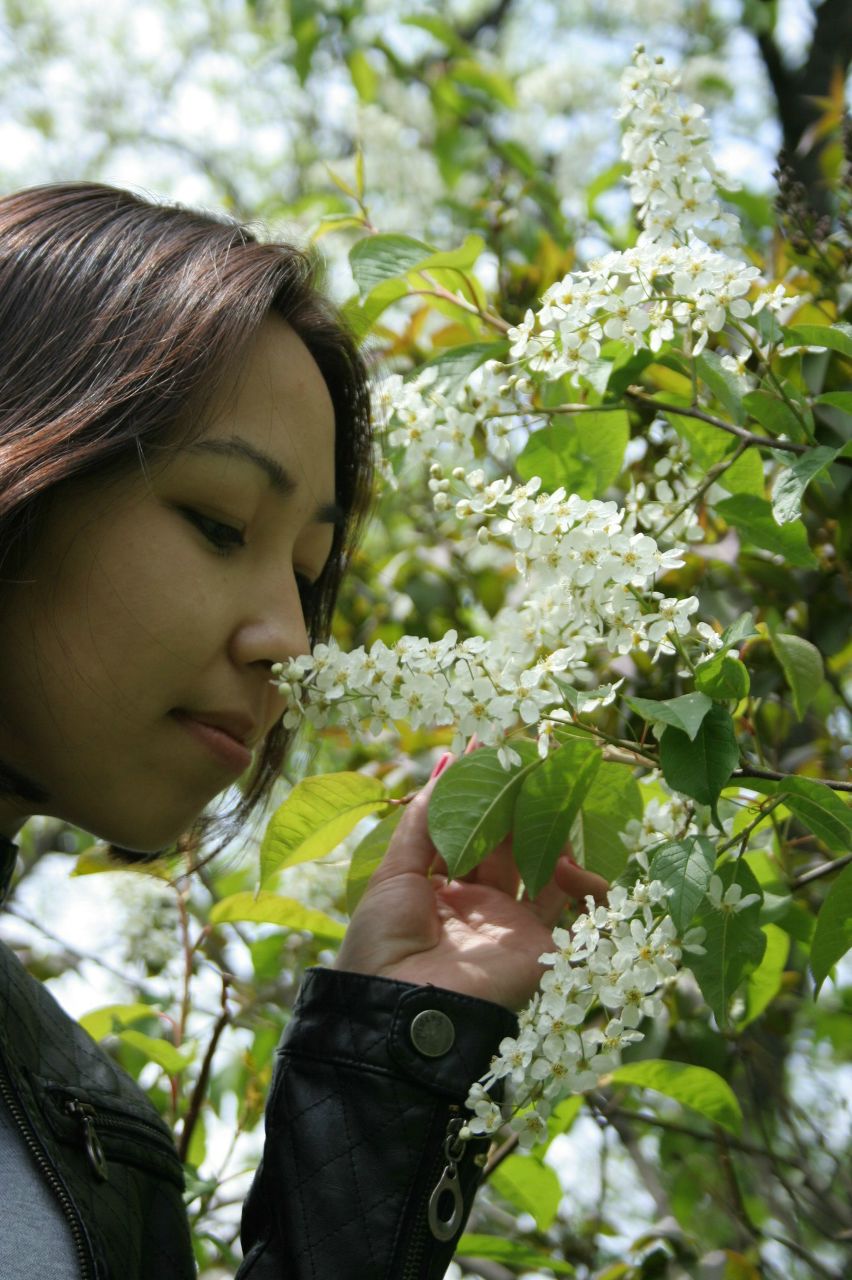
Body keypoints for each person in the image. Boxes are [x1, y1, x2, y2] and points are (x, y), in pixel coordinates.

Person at [0, 182, 606, 1279]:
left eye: (309, 572)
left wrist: (387, 1063)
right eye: (220, 520)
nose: (292, 637)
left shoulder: (86, 1125)